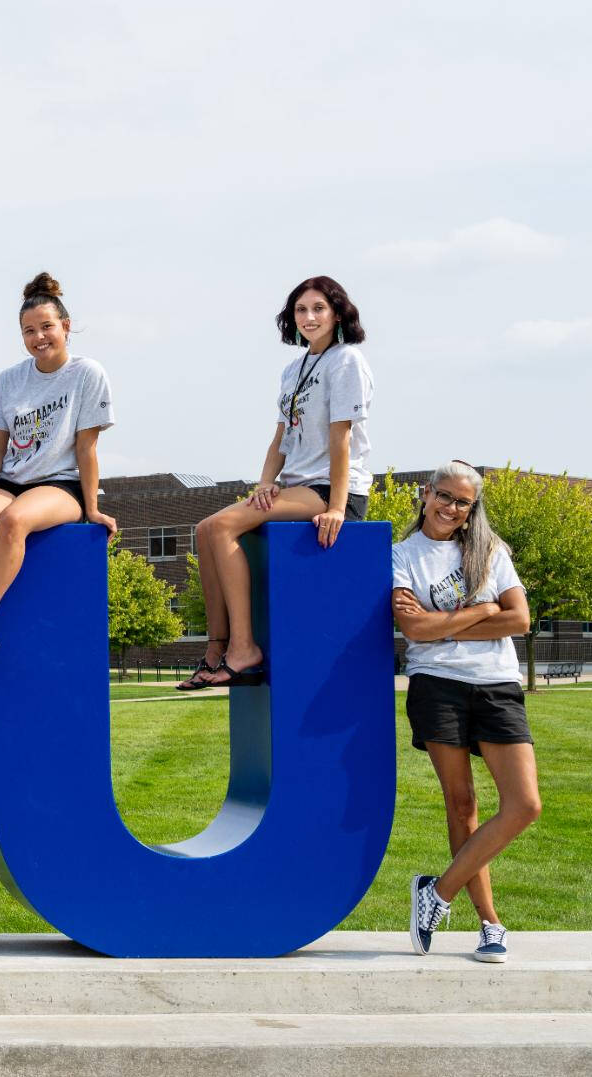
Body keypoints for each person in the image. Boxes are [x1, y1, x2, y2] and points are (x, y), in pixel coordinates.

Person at [178, 275, 374, 690]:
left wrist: (338, 507)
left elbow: (341, 439)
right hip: (296, 485)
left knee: (224, 525)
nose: (309, 317)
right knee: (205, 529)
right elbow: (280, 438)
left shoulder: (347, 361)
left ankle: (244, 648)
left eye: (319, 308)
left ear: (337, 312)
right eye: (301, 310)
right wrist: (265, 483)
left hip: (332, 488)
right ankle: (217, 647)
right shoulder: (293, 369)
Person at [394, 461, 538, 961]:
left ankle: (436, 893)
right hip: (438, 686)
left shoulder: (490, 551)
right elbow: (413, 630)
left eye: (462, 502)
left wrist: (444, 623)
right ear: (426, 493)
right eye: (444, 496)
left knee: (524, 805)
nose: (451, 508)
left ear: (471, 508)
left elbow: (519, 618)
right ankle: (489, 925)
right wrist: (481, 611)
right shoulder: (401, 555)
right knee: (462, 805)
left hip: (496, 684)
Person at [0, 273, 116, 668]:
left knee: (15, 521)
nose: (39, 337)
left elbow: (87, 449)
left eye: (47, 327)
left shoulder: (88, 373)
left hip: (60, 484)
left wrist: (92, 509)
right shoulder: (9, 380)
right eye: (29, 331)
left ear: (66, 327)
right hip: (9, 480)